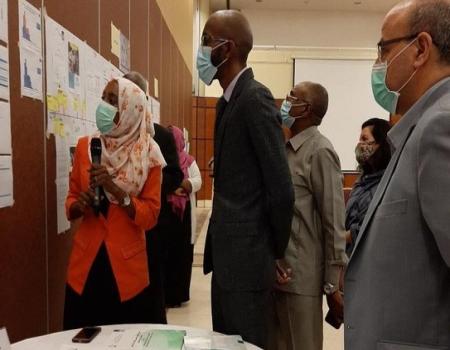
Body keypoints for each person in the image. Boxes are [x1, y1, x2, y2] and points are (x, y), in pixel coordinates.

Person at [345, 1, 450, 349]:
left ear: (420, 49)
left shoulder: (440, 126)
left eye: (383, 49)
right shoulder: (418, 126)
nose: (379, 63)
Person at [199, 10, 294, 348]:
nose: (202, 49)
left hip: (249, 261)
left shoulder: (254, 97)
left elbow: (281, 188)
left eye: (206, 41)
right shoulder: (228, 102)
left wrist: (275, 250)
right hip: (227, 261)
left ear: (229, 48)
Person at [63, 77, 166, 329]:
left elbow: (150, 216)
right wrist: (81, 205)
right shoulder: (86, 146)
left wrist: (116, 190)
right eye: (104, 98)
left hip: (126, 272)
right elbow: (71, 202)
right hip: (85, 266)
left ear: (130, 109)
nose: (104, 106)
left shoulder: (149, 155)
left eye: (113, 100)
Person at [268, 82, 347, 350]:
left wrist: (331, 284)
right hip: (277, 270)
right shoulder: (286, 147)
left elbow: (333, 221)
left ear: (307, 109)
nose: (286, 101)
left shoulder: (320, 151)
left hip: (302, 277)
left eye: (293, 97)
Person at [123, 71, 184, 323]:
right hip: (123, 226)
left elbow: (174, 175)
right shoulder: (111, 135)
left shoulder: (161, 136)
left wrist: (143, 187)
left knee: (151, 290)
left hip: (153, 225)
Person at [164, 125, 202, 307]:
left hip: (184, 215)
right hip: (167, 215)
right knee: (167, 253)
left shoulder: (189, 160)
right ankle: (166, 295)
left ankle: (179, 295)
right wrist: (170, 190)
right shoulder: (161, 159)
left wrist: (185, 184)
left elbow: (198, 180)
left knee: (182, 254)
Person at [345, 118, 391, 255]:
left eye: (364, 139)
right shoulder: (362, 179)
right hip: (350, 255)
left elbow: (371, 227)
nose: (360, 144)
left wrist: (340, 237)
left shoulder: (388, 182)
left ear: (380, 144)